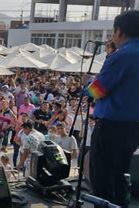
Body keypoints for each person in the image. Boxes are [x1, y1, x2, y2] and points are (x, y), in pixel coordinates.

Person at [86, 10, 139, 207]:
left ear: (119, 31)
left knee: (102, 179)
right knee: (121, 177)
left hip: (111, 128)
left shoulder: (122, 56)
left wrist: (88, 85)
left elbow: (97, 91)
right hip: (133, 127)